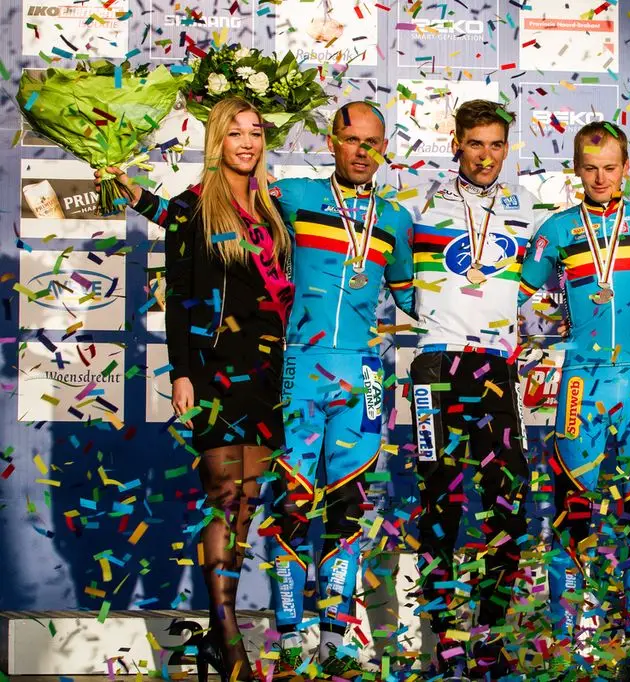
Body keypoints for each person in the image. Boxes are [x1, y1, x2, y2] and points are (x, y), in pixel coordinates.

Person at [101, 97, 293, 681]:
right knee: (223, 496)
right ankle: (229, 634)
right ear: (217, 141)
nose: (247, 142)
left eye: (255, 132)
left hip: (266, 375)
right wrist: (180, 372)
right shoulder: (193, 207)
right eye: (234, 133)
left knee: (246, 509)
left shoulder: (275, 209)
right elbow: (180, 298)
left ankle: (217, 630)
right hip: (213, 370)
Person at [265, 100, 415, 677]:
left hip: (366, 373)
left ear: (384, 148)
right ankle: (290, 632)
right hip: (300, 367)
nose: (362, 152)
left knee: (352, 504)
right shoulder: (296, 196)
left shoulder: (396, 219)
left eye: (373, 143)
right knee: (293, 501)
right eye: (353, 140)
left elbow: (412, 297)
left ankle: (336, 633)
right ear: (332, 141)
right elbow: (231, 212)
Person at [517, 121, 630, 681]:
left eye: (611, 167)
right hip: (581, 382)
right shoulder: (556, 229)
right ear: (575, 169)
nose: (601, 177)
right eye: (590, 167)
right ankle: (567, 640)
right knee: (573, 509)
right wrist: (566, 328)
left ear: (626, 167)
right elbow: (522, 299)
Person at [407, 99, 542, 680]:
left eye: (495, 145)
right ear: (455, 144)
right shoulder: (418, 205)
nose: (485, 155)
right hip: (434, 367)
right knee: (441, 504)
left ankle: (489, 629)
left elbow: (542, 293)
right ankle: (444, 635)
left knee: (508, 504)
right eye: (475, 143)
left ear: (505, 148)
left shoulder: (528, 210)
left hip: (495, 369)